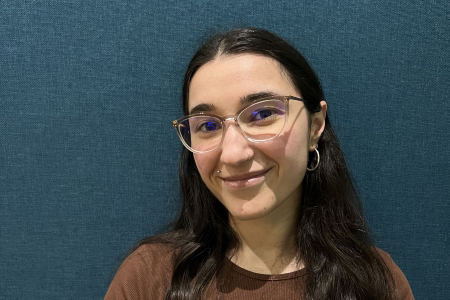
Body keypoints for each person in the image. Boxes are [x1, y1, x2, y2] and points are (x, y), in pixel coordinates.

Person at [105, 28, 414, 300]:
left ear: (315, 126)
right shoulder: (148, 279)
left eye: (262, 114)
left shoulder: (375, 284)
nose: (233, 154)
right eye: (208, 126)